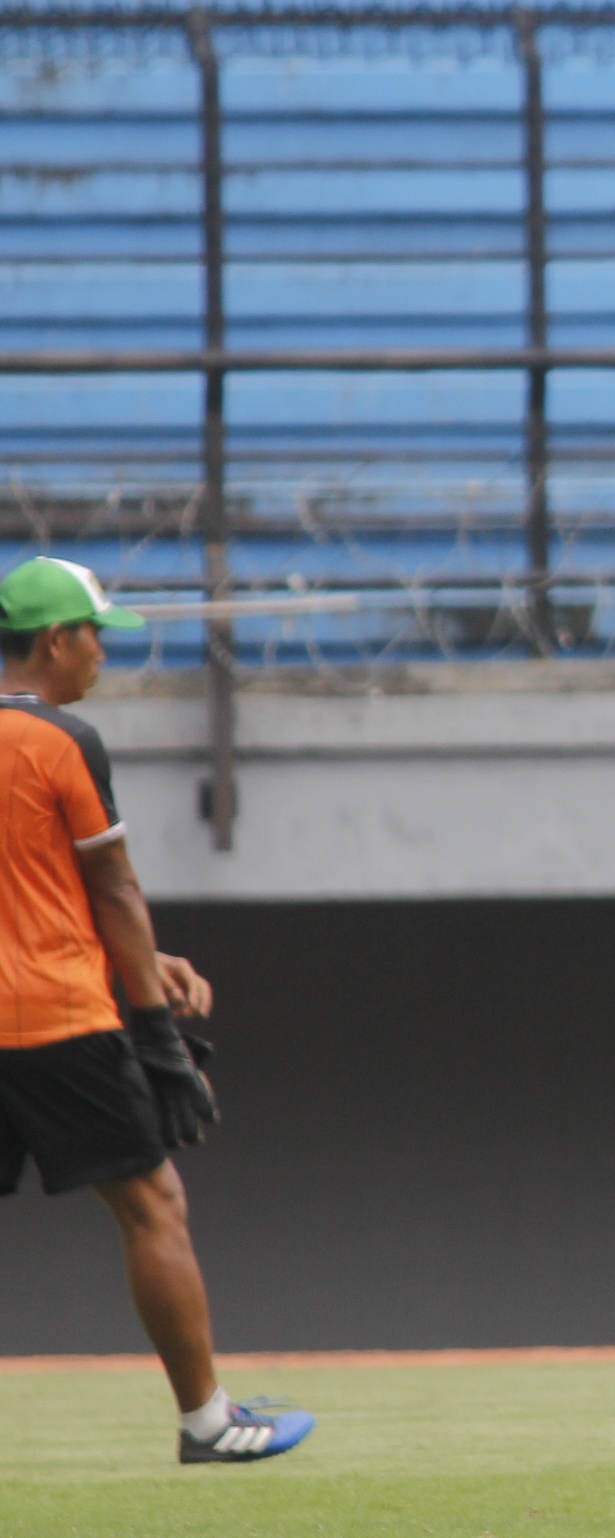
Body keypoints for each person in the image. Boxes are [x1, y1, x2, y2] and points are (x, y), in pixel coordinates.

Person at [1, 556, 313, 1465]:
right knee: (153, 1207)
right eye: (97, 634)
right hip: (57, 1018)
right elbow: (114, 891)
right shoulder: (64, 741)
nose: (103, 653)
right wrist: (158, 1034)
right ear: (56, 640)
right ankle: (207, 1421)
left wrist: (147, 958)